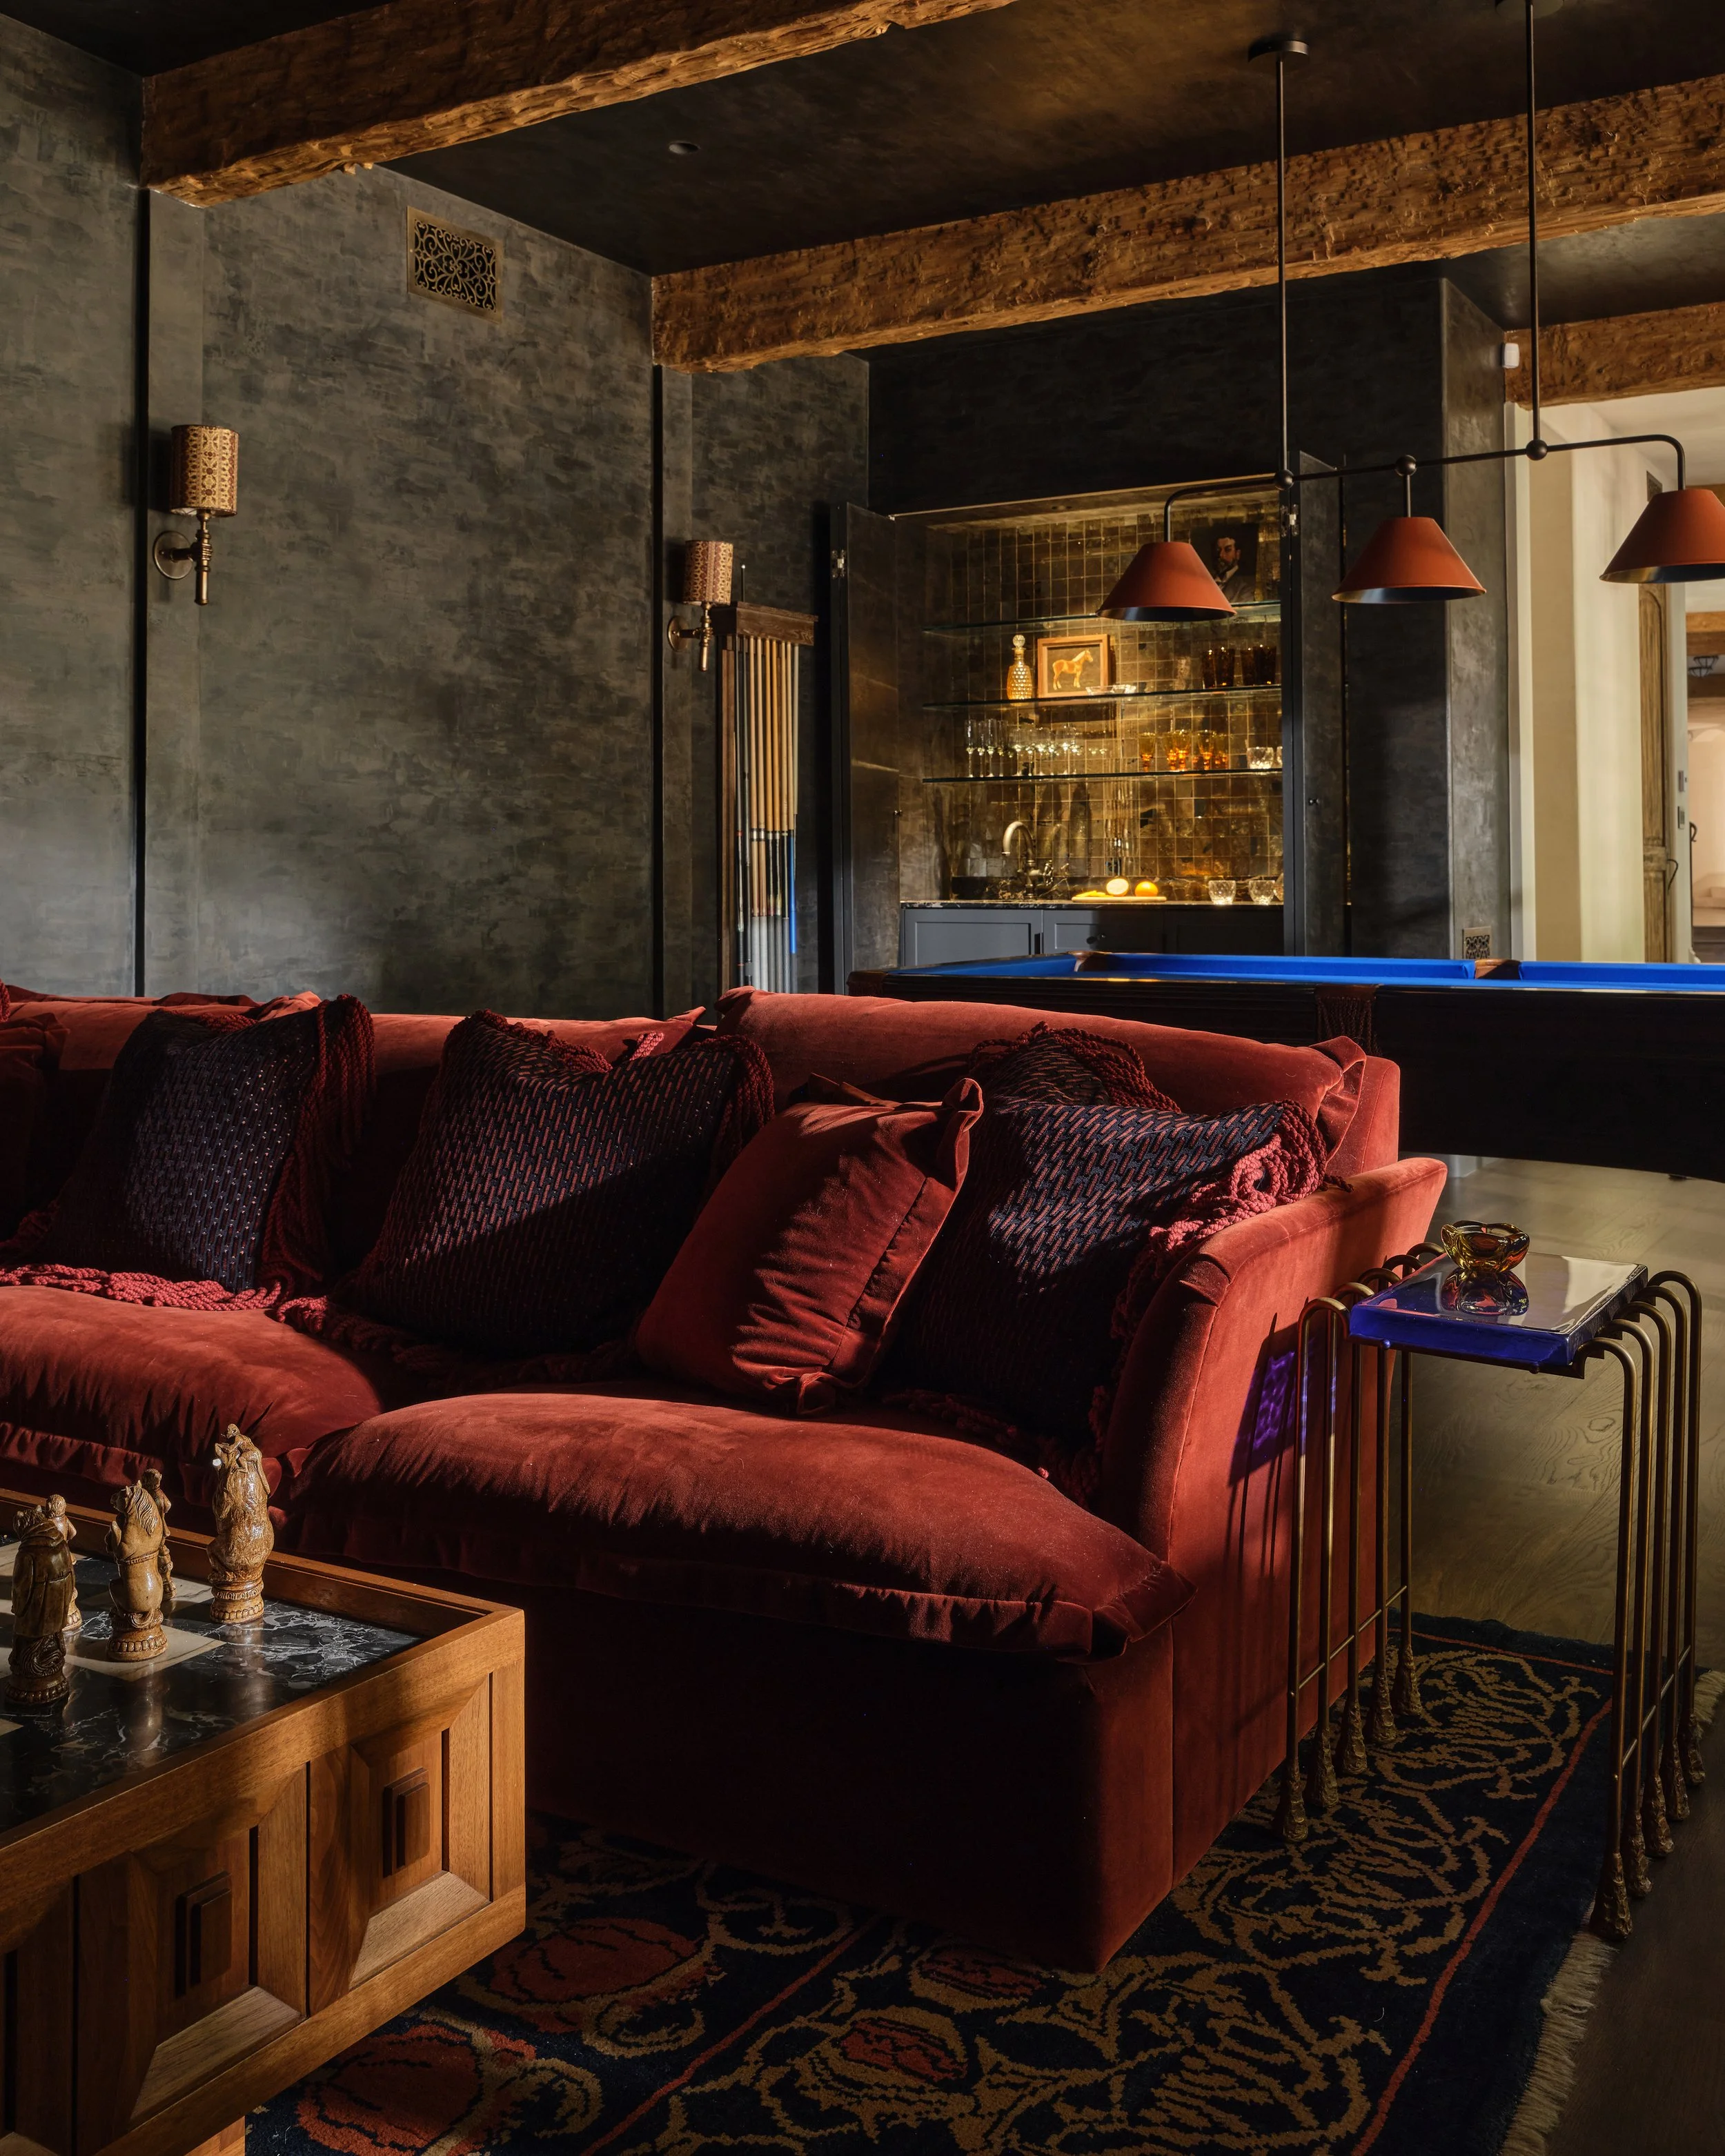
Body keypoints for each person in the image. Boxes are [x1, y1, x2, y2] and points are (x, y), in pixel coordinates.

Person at [1211, 532, 1255, 604]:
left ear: (1237, 554)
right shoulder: (1210, 579)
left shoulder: (1246, 584)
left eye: (1228, 550)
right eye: (1218, 550)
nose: (1221, 555)